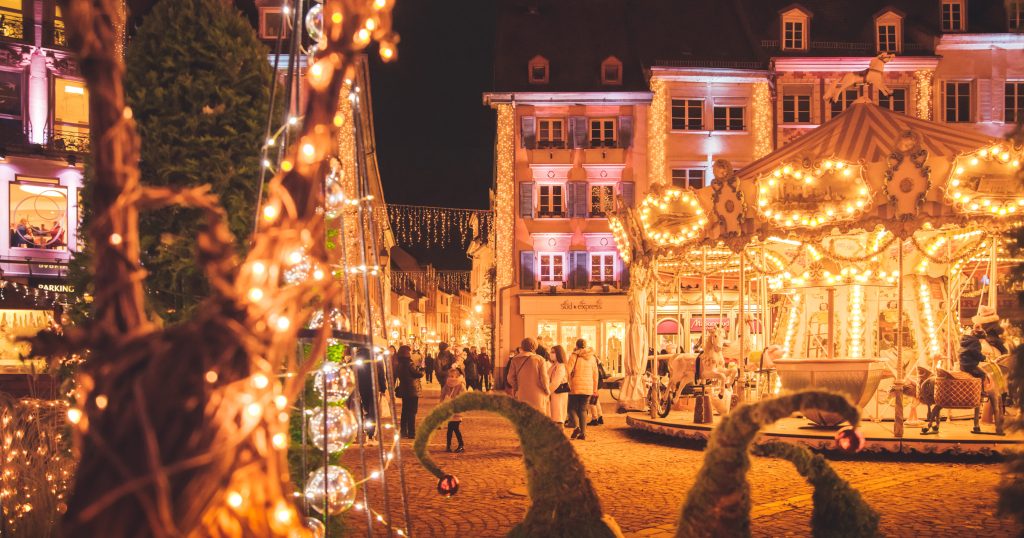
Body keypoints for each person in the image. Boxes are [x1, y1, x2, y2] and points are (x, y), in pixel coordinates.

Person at [506, 337, 551, 413]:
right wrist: (547, 390)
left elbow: (510, 378)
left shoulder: (515, 359)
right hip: (538, 395)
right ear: (535, 346)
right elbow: (544, 378)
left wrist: (517, 387)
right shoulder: (539, 359)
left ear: (522, 346)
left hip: (522, 394)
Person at [352, 347, 387, 445]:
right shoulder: (376, 357)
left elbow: (352, 373)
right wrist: (383, 388)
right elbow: (381, 374)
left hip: (360, 388)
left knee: (362, 410)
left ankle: (361, 432)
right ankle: (370, 435)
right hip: (373, 387)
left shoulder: (355, 357)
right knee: (372, 412)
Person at [567, 338, 599, 440]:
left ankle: (577, 427)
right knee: (583, 410)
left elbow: (568, 370)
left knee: (571, 408)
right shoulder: (592, 357)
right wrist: (595, 388)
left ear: (576, 346)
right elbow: (595, 374)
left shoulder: (574, 355)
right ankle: (583, 433)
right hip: (588, 387)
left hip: (575, 386)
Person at [394, 345, 423, 439]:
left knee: (405, 411)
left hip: (404, 390)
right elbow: (418, 374)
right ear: (407, 353)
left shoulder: (398, 363)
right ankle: (411, 432)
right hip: (412, 390)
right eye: (409, 351)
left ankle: (403, 432)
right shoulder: (410, 363)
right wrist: (420, 370)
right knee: (412, 412)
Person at [441, 365, 466, 452]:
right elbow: (442, 395)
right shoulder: (447, 384)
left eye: (453, 376)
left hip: (457, 411)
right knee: (450, 429)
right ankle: (448, 446)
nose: (451, 378)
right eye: (450, 376)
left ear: (457, 376)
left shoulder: (461, 385)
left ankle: (461, 445)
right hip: (449, 411)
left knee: (455, 428)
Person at [548, 345, 569, 425]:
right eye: (551, 352)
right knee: (555, 415)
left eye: (553, 352)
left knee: (558, 416)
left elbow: (556, 382)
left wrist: (547, 391)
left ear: (559, 354)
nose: (551, 354)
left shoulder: (560, 366)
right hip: (554, 393)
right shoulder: (554, 365)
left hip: (559, 393)